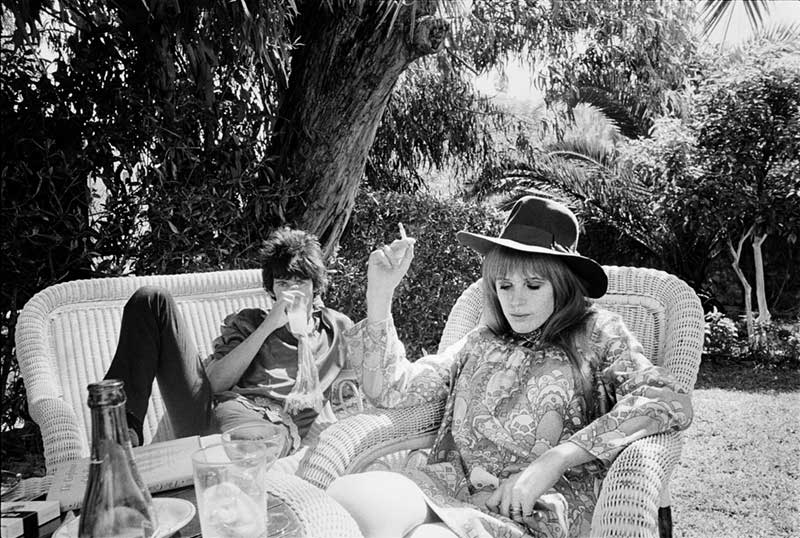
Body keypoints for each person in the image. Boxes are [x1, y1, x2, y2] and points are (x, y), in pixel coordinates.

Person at [328, 196, 693, 538]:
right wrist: (380, 293)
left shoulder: (598, 333)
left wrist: (556, 459)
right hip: (450, 487)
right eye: (504, 285)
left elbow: (666, 400)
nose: (515, 301)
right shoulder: (482, 340)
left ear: (562, 285)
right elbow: (391, 391)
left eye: (533, 285)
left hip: (534, 509)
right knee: (348, 499)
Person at [104, 227, 353, 456]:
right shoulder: (249, 322)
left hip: (260, 432)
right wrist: (267, 327)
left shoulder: (334, 329)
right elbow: (212, 384)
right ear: (272, 289)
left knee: (251, 440)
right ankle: (119, 435)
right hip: (208, 414)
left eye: (300, 282)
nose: (292, 290)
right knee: (151, 299)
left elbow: (367, 382)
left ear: (315, 286)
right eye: (283, 283)